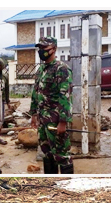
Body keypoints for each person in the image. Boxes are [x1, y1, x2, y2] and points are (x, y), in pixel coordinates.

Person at [30, 36, 74, 174]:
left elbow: (65, 96)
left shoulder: (61, 69)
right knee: (46, 153)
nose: (41, 51)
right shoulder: (41, 69)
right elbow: (35, 93)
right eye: (40, 48)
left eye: (45, 48)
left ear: (54, 49)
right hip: (43, 120)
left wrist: (63, 122)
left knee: (62, 154)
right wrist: (34, 114)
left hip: (55, 120)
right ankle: (51, 181)